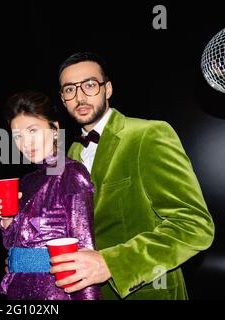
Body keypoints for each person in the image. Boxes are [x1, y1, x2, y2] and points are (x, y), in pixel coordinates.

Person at [49, 52, 215, 299]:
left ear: (108, 89)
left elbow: (194, 225)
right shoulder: (70, 153)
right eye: (69, 89)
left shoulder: (149, 134)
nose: (80, 96)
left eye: (90, 85)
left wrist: (112, 263)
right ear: (63, 99)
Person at [0, 91, 101, 300]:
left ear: (55, 129)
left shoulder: (71, 173)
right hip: (17, 290)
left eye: (33, 130)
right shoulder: (26, 181)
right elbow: (13, 244)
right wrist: (6, 221)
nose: (25, 143)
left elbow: (86, 256)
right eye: (18, 136)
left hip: (54, 293)